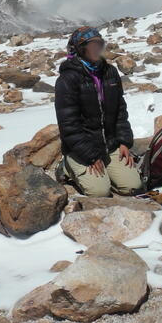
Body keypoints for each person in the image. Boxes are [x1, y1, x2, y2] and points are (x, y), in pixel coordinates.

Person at [54, 26, 142, 196]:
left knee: (133, 186)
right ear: (79, 49)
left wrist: (124, 141)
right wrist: (90, 156)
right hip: (82, 148)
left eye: (99, 44)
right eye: (91, 45)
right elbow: (69, 125)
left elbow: (120, 111)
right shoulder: (68, 79)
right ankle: (67, 167)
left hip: (110, 144)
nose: (97, 49)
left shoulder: (110, 73)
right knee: (100, 192)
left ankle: (106, 170)